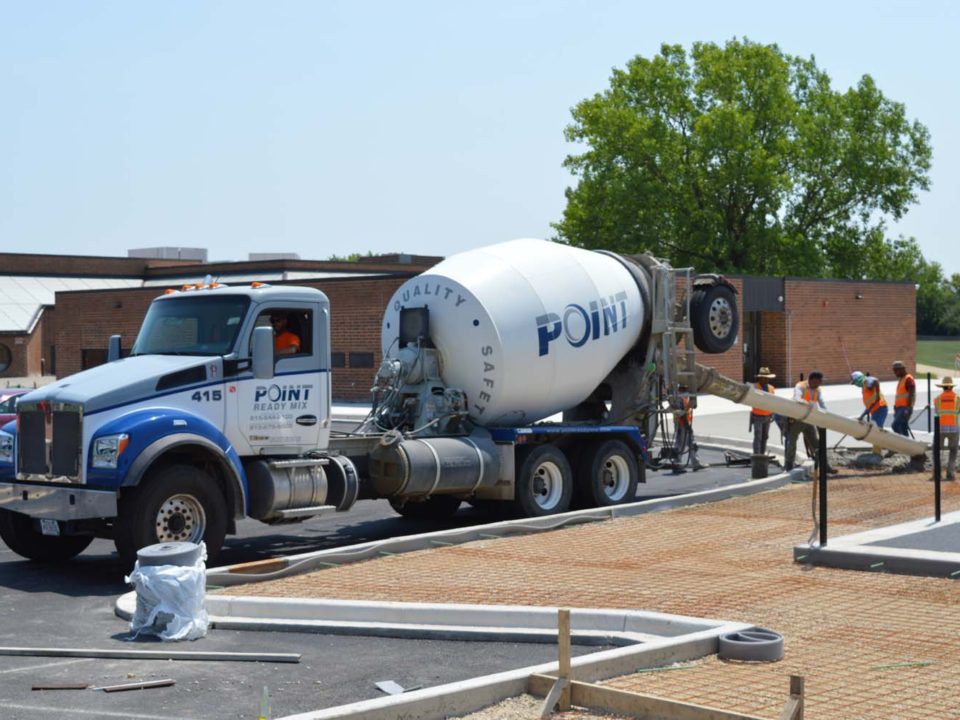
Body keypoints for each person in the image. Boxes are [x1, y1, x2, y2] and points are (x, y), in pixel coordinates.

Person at [784, 371, 836, 473]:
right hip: (797, 419)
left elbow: (822, 403)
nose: (820, 383)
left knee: (816, 443)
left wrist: (826, 414)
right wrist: (806, 404)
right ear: (813, 380)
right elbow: (796, 398)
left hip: (809, 419)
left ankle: (825, 466)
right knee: (792, 441)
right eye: (819, 381)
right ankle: (789, 465)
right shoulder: (800, 386)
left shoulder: (818, 390)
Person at [673, 388, 706, 472]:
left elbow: (687, 410)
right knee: (680, 444)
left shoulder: (685, 396)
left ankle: (695, 463)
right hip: (682, 424)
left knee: (692, 442)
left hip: (686, 423)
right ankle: (676, 464)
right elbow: (680, 412)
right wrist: (686, 424)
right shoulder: (679, 397)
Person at [933, 376, 958, 481]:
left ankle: (937, 473)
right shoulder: (957, 398)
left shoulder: (937, 399)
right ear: (951, 387)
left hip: (940, 428)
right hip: (954, 429)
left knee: (937, 450)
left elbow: (937, 412)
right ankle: (950, 473)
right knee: (953, 451)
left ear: (943, 387)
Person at [750, 367, 777, 455]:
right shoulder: (754, 387)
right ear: (760, 378)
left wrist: (772, 413)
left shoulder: (771, 388)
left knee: (765, 437)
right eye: (763, 378)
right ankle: (756, 455)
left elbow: (773, 402)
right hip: (757, 416)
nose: (765, 379)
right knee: (758, 437)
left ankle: (762, 454)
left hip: (767, 416)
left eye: (767, 378)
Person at [891, 360, 915, 437]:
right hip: (899, 408)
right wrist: (895, 406)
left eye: (895, 371)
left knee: (895, 425)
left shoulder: (908, 379)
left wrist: (908, 408)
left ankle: (901, 442)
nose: (894, 373)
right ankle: (906, 445)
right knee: (903, 427)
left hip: (904, 408)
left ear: (901, 369)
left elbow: (911, 394)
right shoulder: (901, 379)